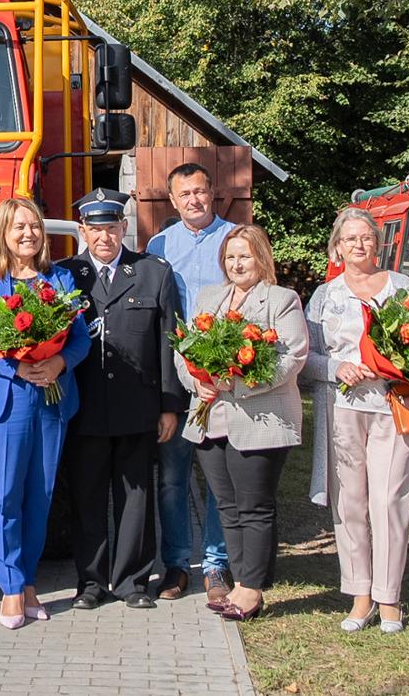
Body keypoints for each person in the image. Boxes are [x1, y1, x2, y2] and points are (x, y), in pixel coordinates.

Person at [0, 197, 91, 629]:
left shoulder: (61, 278)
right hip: (5, 401)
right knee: (5, 497)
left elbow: (80, 339)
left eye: (34, 226)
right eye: (19, 227)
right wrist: (15, 362)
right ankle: (11, 588)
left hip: (50, 398)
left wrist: (58, 362)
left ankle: (30, 581)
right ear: (3, 233)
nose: (28, 234)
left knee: (41, 496)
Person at [56, 188, 182, 611]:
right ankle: (90, 582)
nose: (104, 237)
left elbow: (168, 344)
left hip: (137, 406)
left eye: (111, 227)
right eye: (95, 229)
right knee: (87, 497)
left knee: (135, 497)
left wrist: (169, 405)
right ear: (82, 231)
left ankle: (132, 581)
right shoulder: (65, 276)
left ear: (124, 228)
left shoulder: (153, 273)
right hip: (84, 407)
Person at [302, 206, 409, 633]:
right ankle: (359, 595)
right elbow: (306, 359)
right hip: (343, 408)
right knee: (349, 502)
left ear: (378, 243)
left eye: (366, 237)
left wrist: (397, 363)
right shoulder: (324, 296)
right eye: (350, 238)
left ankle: (389, 598)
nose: (358, 244)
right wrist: (336, 367)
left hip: (392, 406)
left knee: (388, 500)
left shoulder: (402, 287)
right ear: (337, 247)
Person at [179, 224, 308, 622]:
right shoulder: (208, 298)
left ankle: (250, 589)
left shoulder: (281, 300)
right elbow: (183, 350)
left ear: (261, 259)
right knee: (227, 506)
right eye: (230, 257)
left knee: (253, 506)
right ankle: (241, 581)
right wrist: (197, 384)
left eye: (245, 256)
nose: (237, 264)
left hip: (260, 418)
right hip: (210, 419)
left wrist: (233, 384)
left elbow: (290, 359)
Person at [141, 162, 233, 604]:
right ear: (173, 201)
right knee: (172, 478)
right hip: (177, 379)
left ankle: (216, 565)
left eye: (200, 191)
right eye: (184, 195)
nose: (193, 200)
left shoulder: (234, 239)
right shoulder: (159, 245)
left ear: (211, 193)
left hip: (223, 380)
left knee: (219, 479)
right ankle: (176, 563)